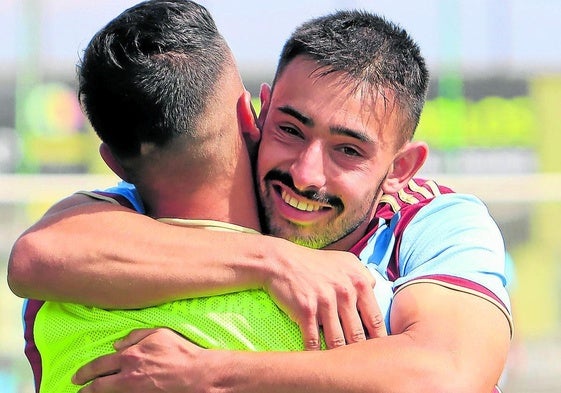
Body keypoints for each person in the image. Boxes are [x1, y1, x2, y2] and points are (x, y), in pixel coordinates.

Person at [8, 4, 512, 393]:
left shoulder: (434, 221)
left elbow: (448, 374)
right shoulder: (161, 208)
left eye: (347, 150)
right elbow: (37, 256)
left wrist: (208, 373)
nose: (305, 173)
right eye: (291, 129)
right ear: (258, 114)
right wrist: (276, 262)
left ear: (401, 169)